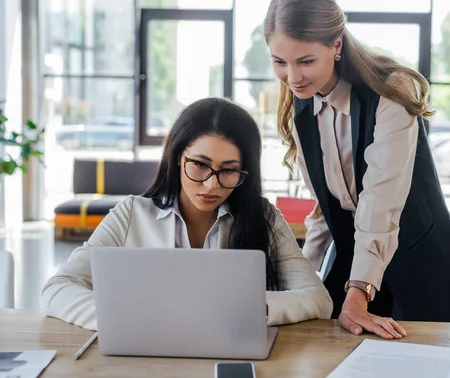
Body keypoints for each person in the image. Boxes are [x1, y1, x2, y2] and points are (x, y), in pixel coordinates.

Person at [263, 0, 450, 340]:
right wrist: (303, 284)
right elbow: (324, 212)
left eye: (306, 61)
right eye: (280, 62)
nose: (292, 77)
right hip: (354, 266)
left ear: (337, 45)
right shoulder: (301, 104)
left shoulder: (393, 92)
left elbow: (380, 205)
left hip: (420, 270)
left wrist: (357, 294)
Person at [41, 97, 333, 331]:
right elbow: (57, 289)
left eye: (229, 170)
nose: (211, 184)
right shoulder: (131, 214)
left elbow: (318, 299)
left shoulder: (263, 217)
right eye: (200, 165)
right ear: (178, 157)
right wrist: (129, 319)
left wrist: (252, 308)